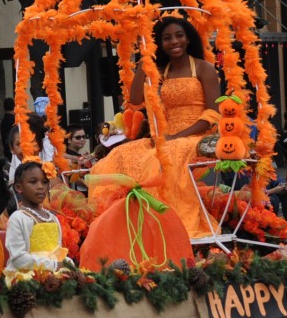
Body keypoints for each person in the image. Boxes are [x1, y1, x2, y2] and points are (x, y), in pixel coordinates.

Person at [88, 16, 222, 238]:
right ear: (160, 43)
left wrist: (177, 136)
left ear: (188, 39)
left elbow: (213, 114)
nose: (174, 41)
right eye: (167, 38)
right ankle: (123, 226)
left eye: (179, 35)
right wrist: (144, 63)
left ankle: (168, 227)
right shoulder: (160, 71)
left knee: (161, 157)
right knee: (119, 154)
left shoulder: (204, 68)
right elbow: (136, 98)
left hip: (196, 135)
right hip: (165, 138)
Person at [4, 161, 70, 274]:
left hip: (53, 276)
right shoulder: (18, 218)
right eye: (33, 182)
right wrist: (53, 265)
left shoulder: (52, 218)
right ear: (19, 187)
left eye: (44, 182)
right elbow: (18, 258)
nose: (40, 187)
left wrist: (68, 263)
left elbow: (58, 251)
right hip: (27, 277)